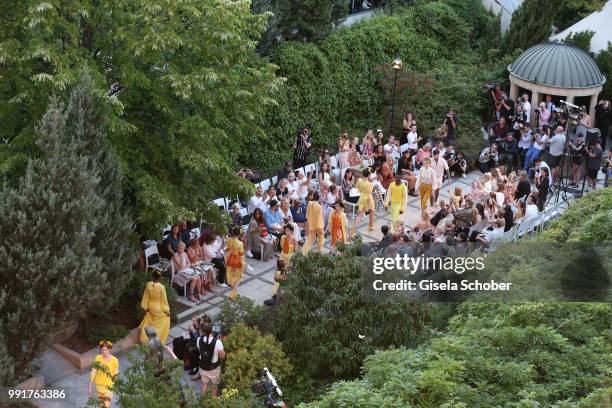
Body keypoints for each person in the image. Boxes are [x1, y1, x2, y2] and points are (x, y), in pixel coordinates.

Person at [138, 270, 171, 343]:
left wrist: (145, 308)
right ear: (160, 278)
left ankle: (145, 337)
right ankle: (156, 337)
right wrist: (167, 311)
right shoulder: (162, 287)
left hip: (150, 307)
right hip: (158, 308)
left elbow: (145, 297)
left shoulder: (148, 284)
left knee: (150, 321)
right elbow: (164, 300)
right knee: (164, 319)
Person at [196, 323, 225, 397]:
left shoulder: (199, 340)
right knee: (214, 386)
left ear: (203, 332)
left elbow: (200, 351)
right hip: (213, 368)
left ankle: (203, 402)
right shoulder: (218, 342)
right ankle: (212, 403)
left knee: (204, 384)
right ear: (212, 330)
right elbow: (222, 356)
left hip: (202, 367)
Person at [88, 340, 119, 408]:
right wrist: (90, 385)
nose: (104, 352)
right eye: (102, 350)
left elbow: (116, 373)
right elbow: (93, 371)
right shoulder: (97, 358)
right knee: (101, 404)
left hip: (110, 386)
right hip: (100, 385)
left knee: (107, 404)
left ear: (109, 349)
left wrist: (116, 385)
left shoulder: (114, 360)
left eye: (106, 350)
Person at [352, 168, 376, 234]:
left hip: (362, 198)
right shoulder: (369, 184)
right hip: (369, 199)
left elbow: (356, 188)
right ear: (369, 175)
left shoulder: (359, 180)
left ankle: (353, 229)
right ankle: (371, 226)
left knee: (359, 215)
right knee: (372, 211)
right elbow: (371, 191)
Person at [225, 226, 245, 301]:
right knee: (238, 278)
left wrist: (226, 260)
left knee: (232, 277)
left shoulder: (229, 240)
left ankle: (233, 294)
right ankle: (232, 295)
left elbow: (227, 251)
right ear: (239, 234)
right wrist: (243, 264)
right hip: (237, 261)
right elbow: (241, 255)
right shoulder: (240, 243)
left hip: (230, 259)